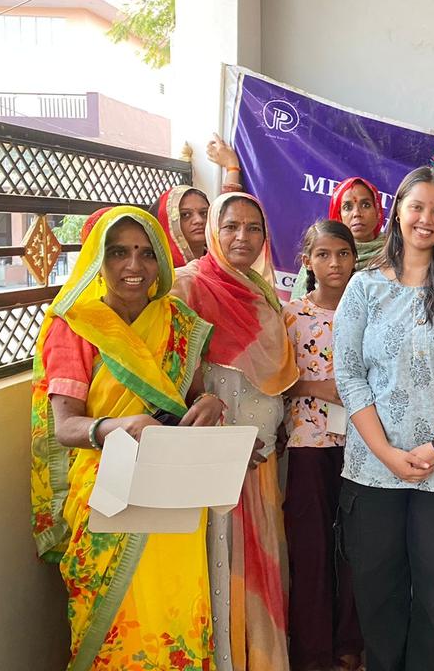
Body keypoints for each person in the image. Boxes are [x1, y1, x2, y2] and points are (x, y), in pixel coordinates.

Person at [30, 206, 225, 670]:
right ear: (98, 258)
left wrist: (212, 404)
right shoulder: (76, 325)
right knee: (111, 619)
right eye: (118, 252)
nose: (133, 266)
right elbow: (66, 427)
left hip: (173, 491)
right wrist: (118, 427)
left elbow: (192, 398)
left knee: (175, 607)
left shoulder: (179, 323)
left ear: (161, 259)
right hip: (107, 495)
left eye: (144, 253)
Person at [333, 167, 434, 671]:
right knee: (378, 596)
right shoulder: (362, 288)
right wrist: (387, 454)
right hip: (373, 469)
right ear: (398, 209)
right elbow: (349, 374)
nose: (427, 219)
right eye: (417, 207)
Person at [171, 191, 300, 671]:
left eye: (253, 228)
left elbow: (272, 378)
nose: (242, 237)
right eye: (231, 226)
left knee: (260, 568)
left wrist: (275, 427)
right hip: (213, 466)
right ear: (212, 231)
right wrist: (219, 438)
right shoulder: (187, 288)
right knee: (218, 565)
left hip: (261, 466)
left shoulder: (263, 292)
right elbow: (170, 378)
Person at [281, 219, 364, 671]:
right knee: (311, 549)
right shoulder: (292, 315)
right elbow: (276, 382)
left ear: (356, 257)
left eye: (343, 254)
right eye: (324, 255)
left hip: (364, 447)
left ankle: (349, 646)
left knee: (355, 548)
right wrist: (318, 385)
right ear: (308, 262)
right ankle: (312, 654)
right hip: (309, 445)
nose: (335, 263)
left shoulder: (370, 309)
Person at [152, 185, 210, 266]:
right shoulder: (160, 270)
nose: (199, 220)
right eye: (185, 214)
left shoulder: (223, 264)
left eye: (204, 213)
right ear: (168, 223)